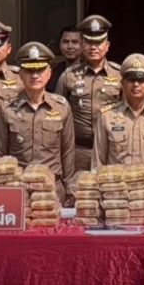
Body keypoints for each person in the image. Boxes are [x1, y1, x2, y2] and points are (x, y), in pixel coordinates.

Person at [0, 42, 75, 202]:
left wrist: (69, 188)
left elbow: (68, 152)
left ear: (49, 73)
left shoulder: (62, 107)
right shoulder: (7, 109)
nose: (35, 76)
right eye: (29, 70)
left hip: (52, 188)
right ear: (20, 74)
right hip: (18, 188)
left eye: (40, 70)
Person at [55, 15, 122, 171]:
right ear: (82, 44)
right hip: (79, 150)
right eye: (88, 42)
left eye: (98, 43)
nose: (93, 47)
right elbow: (57, 115)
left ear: (107, 46)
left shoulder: (120, 75)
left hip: (113, 149)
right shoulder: (68, 76)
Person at [92, 54, 144, 170]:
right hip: (118, 181)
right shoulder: (107, 117)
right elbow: (98, 163)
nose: (136, 84)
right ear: (122, 84)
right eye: (131, 79)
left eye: (141, 80)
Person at [46, 25, 81, 93]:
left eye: (74, 42)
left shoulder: (89, 72)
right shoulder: (52, 72)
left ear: (82, 45)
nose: (70, 46)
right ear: (59, 44)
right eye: (65, 42)